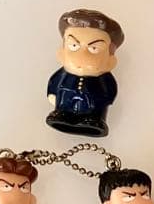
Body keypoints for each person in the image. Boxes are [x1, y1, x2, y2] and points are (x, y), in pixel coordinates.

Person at [46, 9, 123, 137]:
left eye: (94, 48)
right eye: (74, 46)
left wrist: (106, 100)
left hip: (93, 107)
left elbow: (110, 90)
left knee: (94, 115)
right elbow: (54, 82)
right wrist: (52, 93)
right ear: (62, 50)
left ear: (110, 60)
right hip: (65, 101)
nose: (82, 56)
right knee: (62, 111)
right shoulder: (63, 74)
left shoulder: (104, 79)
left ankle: (94, 121)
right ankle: (62, 116)